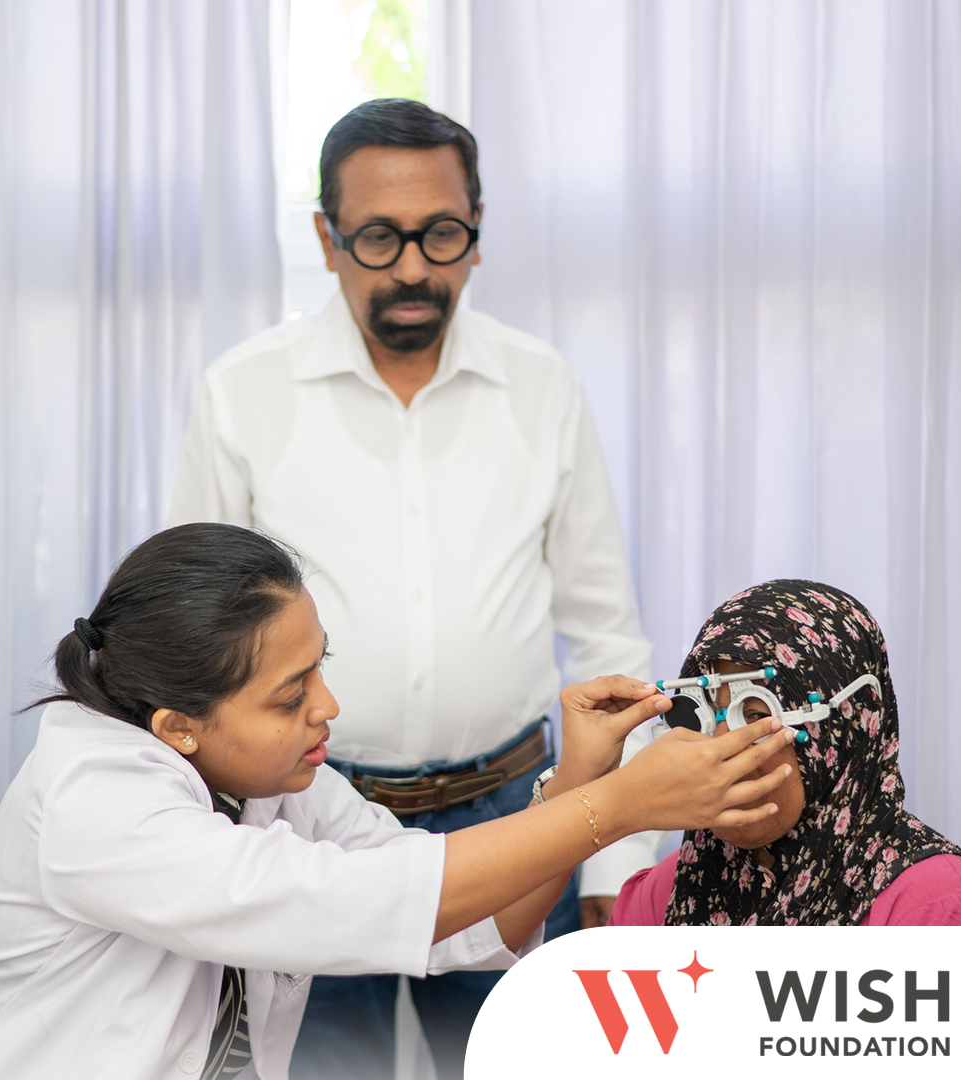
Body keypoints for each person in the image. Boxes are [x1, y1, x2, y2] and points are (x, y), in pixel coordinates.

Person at [0, 523, 798, 1080]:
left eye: (321, 669)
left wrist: (581, 782)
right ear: (178, 725)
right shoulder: (94, 802)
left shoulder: (280, 787)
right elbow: (355, 902)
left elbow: (467, 925)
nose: (328, 711)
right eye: (289, 694)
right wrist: (620, 808)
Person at [167, 99, 660, 1077]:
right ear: (326, 238)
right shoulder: (242, 394)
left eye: (441, 233)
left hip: (517, 818)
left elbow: (608, 643)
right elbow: (188, 651)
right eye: (378, 237)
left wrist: (612, 860)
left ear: (476, 234)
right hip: (306, 829)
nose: (411, 268)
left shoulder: (543, 388)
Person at [608, 579, 961, 927]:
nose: (720, 749)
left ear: (843, 731)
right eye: (705, 715)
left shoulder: (937, 906)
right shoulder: (668, 890)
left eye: (756, 715)